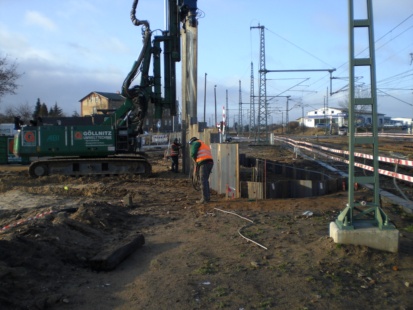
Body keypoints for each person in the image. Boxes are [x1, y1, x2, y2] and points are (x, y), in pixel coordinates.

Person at [189, 136, 214, 204]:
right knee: (205, 180)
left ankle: (205, 199)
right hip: (210, 162)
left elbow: (193, 153)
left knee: (203, 180)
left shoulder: (195, 143)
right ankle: (207, 197)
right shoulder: (203, 144)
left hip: (204, 163)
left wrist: (194, 160)